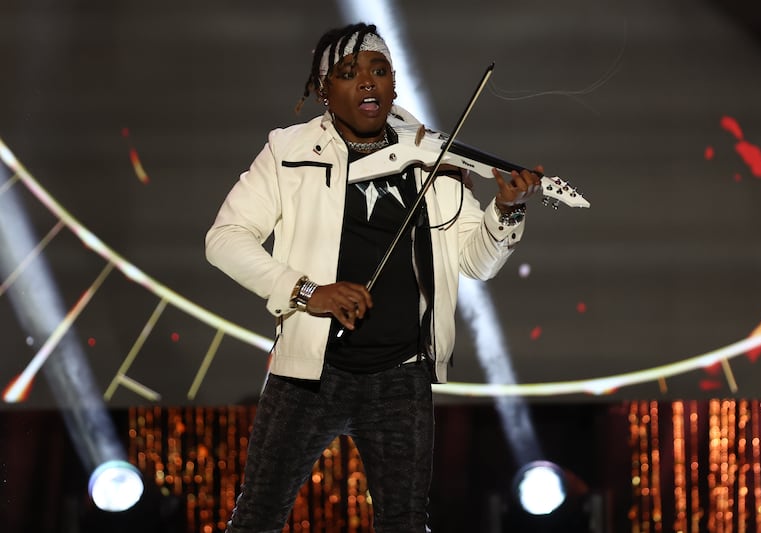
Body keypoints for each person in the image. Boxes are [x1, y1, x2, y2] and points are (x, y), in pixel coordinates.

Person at [205, 22, 540, 533]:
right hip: (309, 377)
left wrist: (507, 209)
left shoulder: (433, 155)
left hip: (400, 376)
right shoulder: (287, 151)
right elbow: (225, 239)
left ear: (394, 86)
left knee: (404, 524)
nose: (367, 82)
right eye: (348, 73)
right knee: (256, 519)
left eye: (379, 71)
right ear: (324, 90)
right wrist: (308, 292)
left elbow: (476, 261)